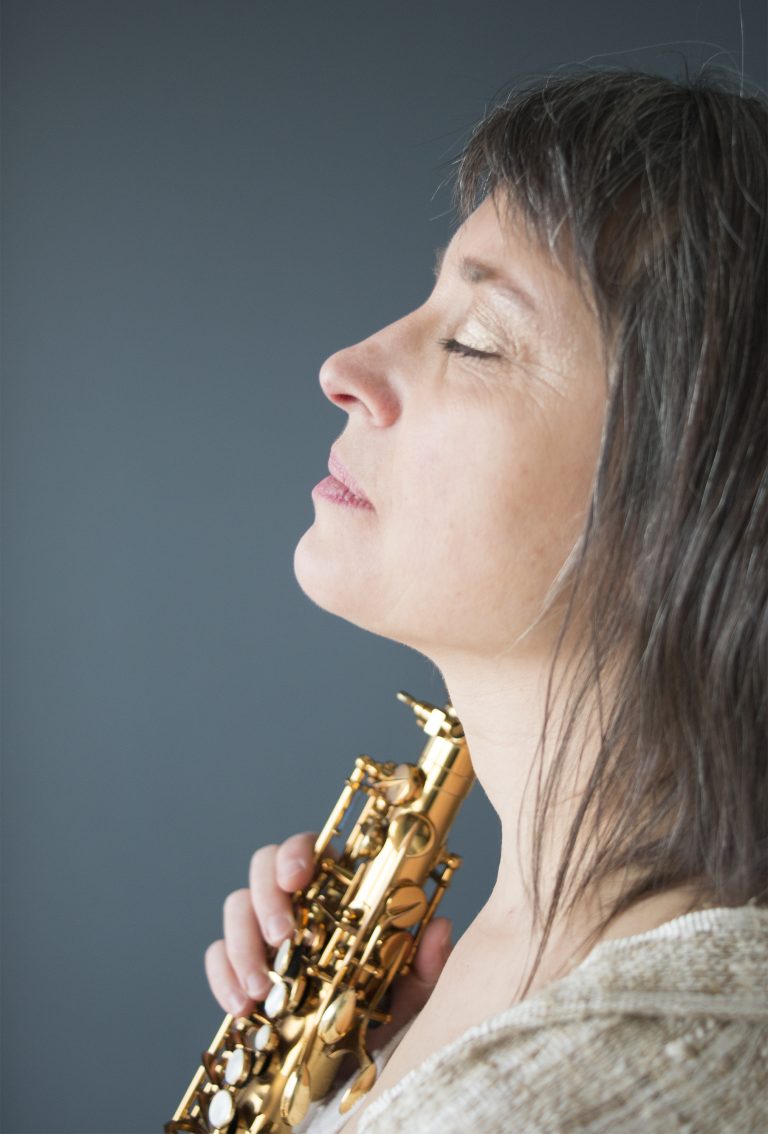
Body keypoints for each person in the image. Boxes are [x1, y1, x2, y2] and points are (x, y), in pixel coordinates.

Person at [204, 68, 768, 1132]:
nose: (345, 366)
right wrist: (363, 1080)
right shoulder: (486, 989)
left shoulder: (591, 1090)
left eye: (474, 340)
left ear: (695, 497)